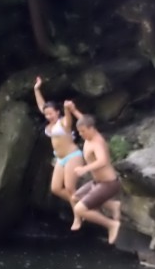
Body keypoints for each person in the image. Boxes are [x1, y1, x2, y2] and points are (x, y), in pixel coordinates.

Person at [63, 101, 122, 244]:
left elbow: (103, 161)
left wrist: (85, 169)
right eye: (79, 132)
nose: (81, 134)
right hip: (98, 182)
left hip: (108, 183)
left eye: (83, 131)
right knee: (74, 197)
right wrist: (74, 109)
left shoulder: (97, 142)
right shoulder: (89, 133)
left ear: (92, 129)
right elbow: (84, 120)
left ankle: (112, 225)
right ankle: (113, 205)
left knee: (79, 210)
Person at [33, 77, 83, 210]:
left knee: (69, 187)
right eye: (46, 114)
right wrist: (37, 89)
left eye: (51, 114)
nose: (48, 116)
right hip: (60, 158)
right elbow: (41, 106)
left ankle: (80, 209)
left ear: (57, 112)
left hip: (72, 155)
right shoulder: (50, 124)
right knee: (55, 188)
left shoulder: (62, 123)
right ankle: (79, 205)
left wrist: (67, 109)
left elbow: (69, 120)